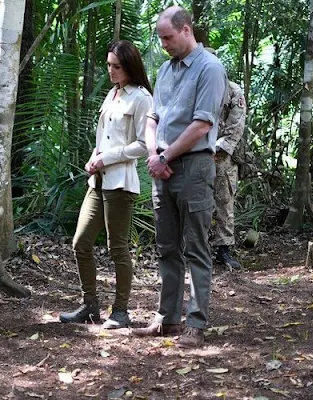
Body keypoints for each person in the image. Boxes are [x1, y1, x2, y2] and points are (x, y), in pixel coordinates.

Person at [131, 6, 227, 348]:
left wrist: (165, 157)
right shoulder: (165, 70)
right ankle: (166, 318)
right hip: (164, 168)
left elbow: (202, 124)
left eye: (167, 37)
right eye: (160, 38)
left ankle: (196, 323)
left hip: (194, 168)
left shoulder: (210, 68)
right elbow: (152, 118)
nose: (163, 44)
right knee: (166, 247)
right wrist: (156, 156)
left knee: (197, 247)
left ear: (186, 30)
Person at [59, 40, 153, 329]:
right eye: (109, 65)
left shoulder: (141, 98)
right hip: (97, 181)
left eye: (117, 66)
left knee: (117, 248)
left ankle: (121, 311)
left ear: (130, 67)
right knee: (81, 243)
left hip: (121, 183)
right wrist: (92, 159)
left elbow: (143, 145)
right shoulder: (112, 94)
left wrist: (107, 159)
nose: (111, 71)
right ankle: (89, 305)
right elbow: (102, 139)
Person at [212, 77, 246, 270]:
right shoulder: (196, 85)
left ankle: (223, 249)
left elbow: (236, 126)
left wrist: (218, 150)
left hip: (223, 157)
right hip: (197, 153)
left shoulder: (233, 91)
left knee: (225, 202)